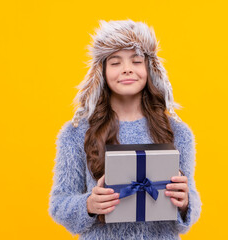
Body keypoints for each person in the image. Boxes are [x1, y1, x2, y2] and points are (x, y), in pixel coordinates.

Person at [48, 19, 202, 240]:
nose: (127, 69)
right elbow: (59, 204)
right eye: (115, 62)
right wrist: (89, 204)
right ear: (101, 71)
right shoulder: (75, 133)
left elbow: (191, 207)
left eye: (136, 61)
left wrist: (185, 202)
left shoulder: (178, 133)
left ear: (150, 69)